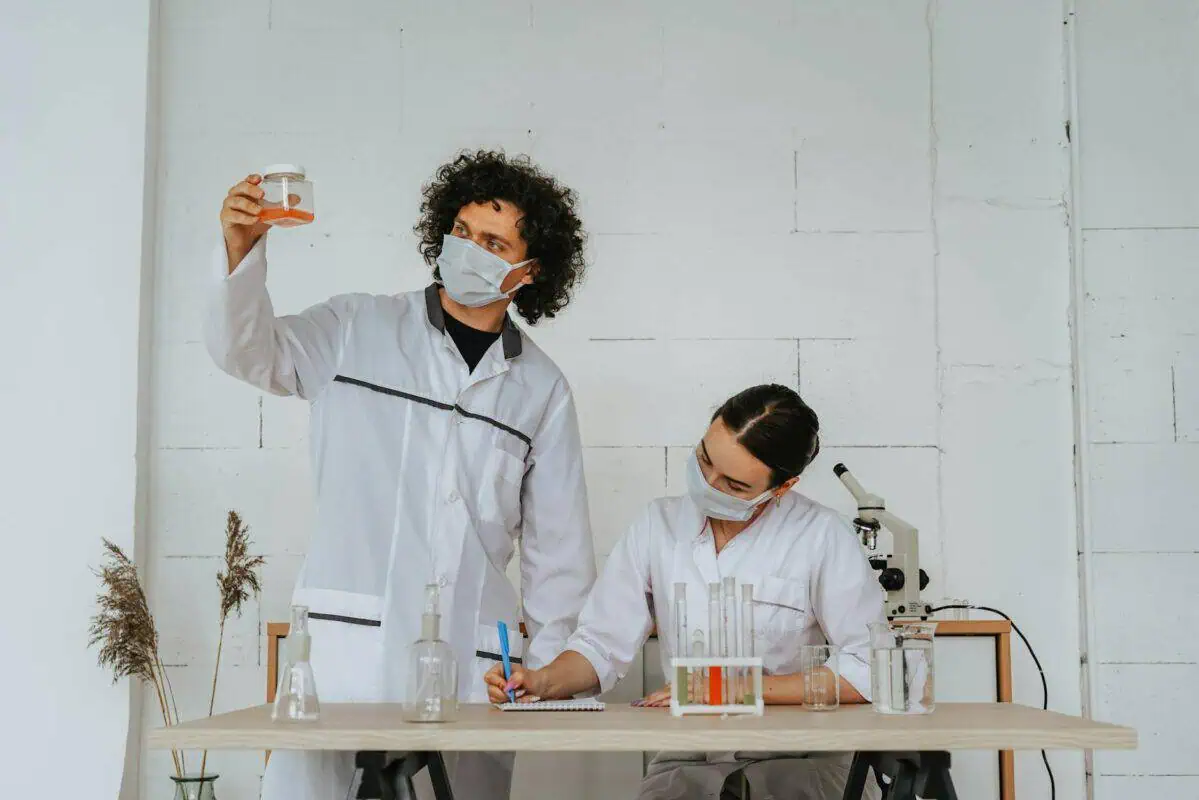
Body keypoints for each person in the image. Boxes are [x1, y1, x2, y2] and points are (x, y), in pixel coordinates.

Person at [206, 150, 597, 800]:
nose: (471, 250)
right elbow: (245, 352)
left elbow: (560, 562)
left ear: (529, 273)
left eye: (494, 243)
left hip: (473, 674)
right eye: (463, 232)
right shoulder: (356, 328)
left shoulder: (542, 390)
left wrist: (550, 678)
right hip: (345, 658)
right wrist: (240, 248)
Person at [486, 384, 887, 800]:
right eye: (704, 461)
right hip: (689, 762)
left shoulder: (822, 536)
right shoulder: (657, 526)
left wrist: (729, 688)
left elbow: (869, 668)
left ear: (781, 488)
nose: (709, 485)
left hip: (800, 760)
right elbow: (600, 645)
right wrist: (542, 680)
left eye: (733, 485)